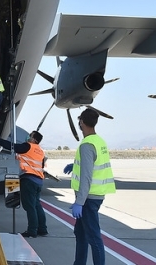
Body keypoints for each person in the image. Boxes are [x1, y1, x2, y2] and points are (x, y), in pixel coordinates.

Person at [63, 108, 116, 265]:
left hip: (88, 198)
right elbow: (93, 164)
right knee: (80, 233)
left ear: (81, 122)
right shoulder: (99, 141)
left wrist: (79, 202)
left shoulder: (86, 145)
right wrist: (75, 165)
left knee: (93, 237)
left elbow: (86, 176)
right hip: (95, 194)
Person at [0, 131, 48, 238]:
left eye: (30, 135)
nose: (28, 137)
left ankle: (32, 231)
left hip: (29, 179)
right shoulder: (40, 151)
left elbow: (12, 146)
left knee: (30, 207)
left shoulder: (27, 146)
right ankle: (42, 229)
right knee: (37, 205)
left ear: (34, 139)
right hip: (39, 181)